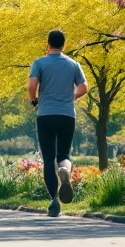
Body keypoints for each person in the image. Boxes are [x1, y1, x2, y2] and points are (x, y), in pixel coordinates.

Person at [29, 30, 88, 217]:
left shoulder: (39, 63)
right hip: (67, 114)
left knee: (48, 158)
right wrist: (74, 96)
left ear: (48, 44)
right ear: (64, 45)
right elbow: (84, 87)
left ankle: (54, 201)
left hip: (45, 114)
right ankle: (65, 170)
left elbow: (32, 85)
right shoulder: (73, 64)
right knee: (63, 153)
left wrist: (34, 100)